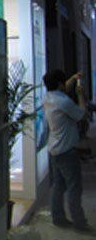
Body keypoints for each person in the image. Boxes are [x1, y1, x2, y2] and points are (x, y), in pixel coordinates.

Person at [43, 69, 88, 231]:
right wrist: (80, 95)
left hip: (54, 149)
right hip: (67, 151)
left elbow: (63, 88)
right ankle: (79, 222)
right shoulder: (64, 102)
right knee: (74, 187)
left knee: (58, 186)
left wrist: (74, 77)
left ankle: (58, 218)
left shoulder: (48, 97)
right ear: (59, 84)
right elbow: (81, 114)